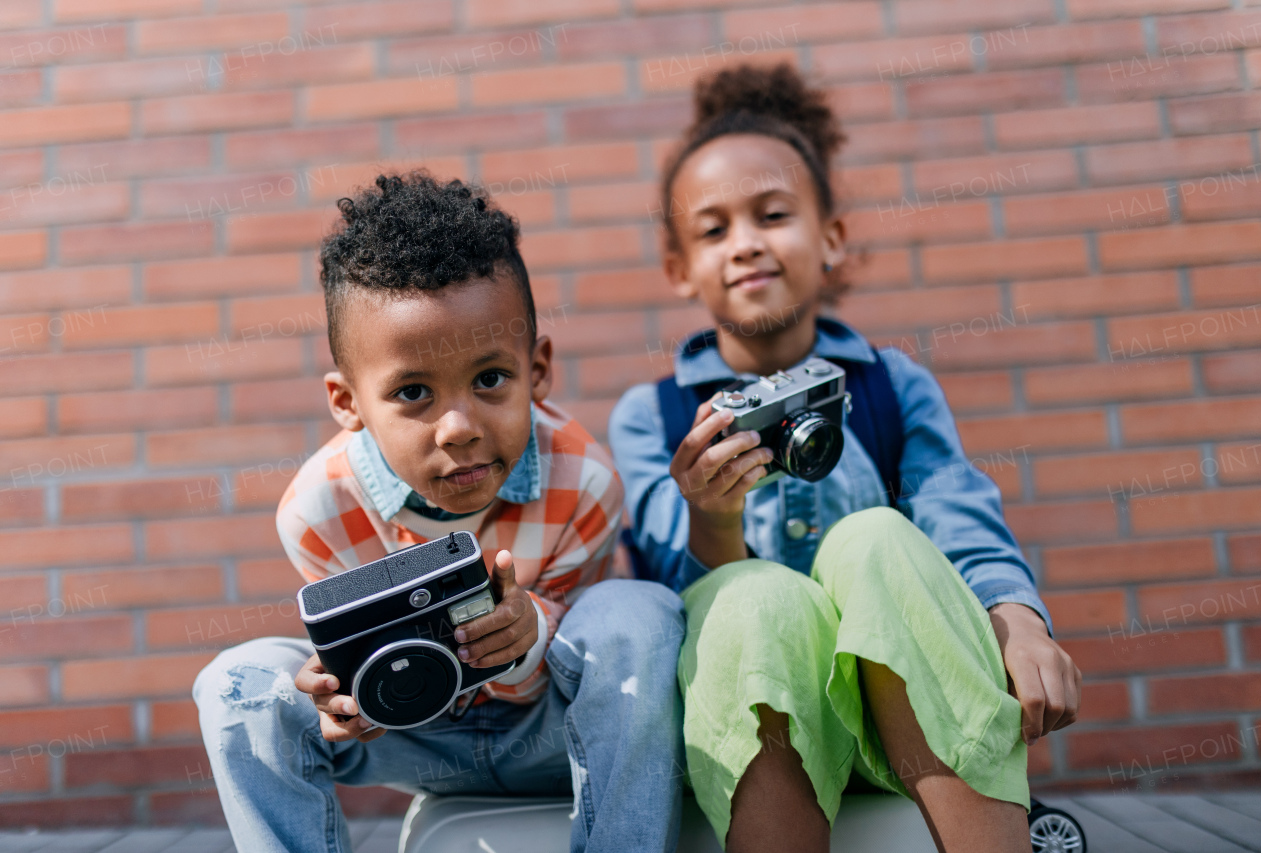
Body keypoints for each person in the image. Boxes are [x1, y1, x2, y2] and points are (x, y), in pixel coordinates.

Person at [608, 64, 1082, 853]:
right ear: (679, 269)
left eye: (772, 215)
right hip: (757, 727)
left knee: (876, 537)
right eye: (714, 230)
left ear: (830, 236)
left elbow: (957, 516)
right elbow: (673, 590)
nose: (747, 243)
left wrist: (1020, 621)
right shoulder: (654, 416)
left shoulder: (892, 385)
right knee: (753, 595)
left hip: (906, 703)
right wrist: (712, 516)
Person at [194, 172, 687, 853]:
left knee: (640, 613)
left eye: (490, 379)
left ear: (537, 368)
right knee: (237, 682)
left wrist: (530, 633)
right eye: (413, 392)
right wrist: (339, 702)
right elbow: (354, 687)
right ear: (348, 403)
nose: (457, 426)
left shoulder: (586, 479)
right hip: (413, 737)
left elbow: (591, 659)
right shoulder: (319, 509)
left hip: (546, 731)